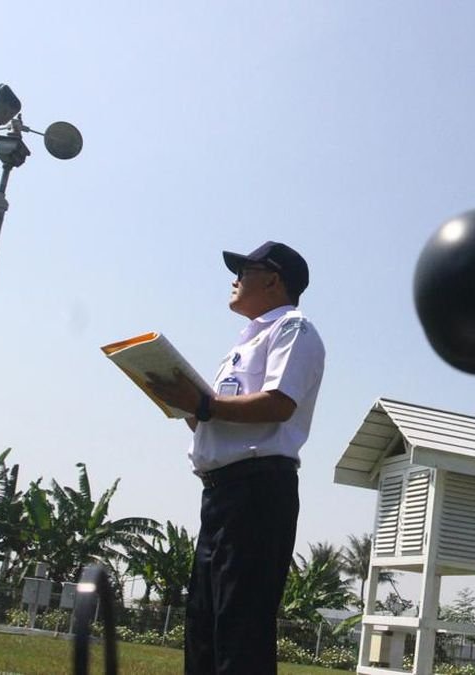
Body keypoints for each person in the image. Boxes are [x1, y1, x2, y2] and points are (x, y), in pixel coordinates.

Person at [145, 241, 326, 674]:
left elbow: (279, 404)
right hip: (221, 496)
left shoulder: (293, 329)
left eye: (243, 270)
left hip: (258, 492)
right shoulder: (242, 345)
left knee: (240, 629)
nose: (235, 279)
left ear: (273, 279)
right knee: (204, 626)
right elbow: (217, 420)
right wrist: (185, 405)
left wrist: (203, 405)